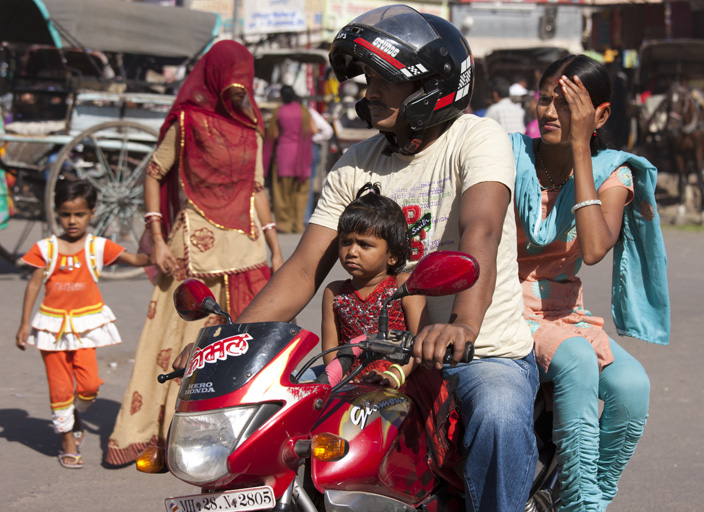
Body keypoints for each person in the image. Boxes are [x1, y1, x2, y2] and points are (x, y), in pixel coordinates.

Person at [176, 6, 538, 510]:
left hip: (480, 349)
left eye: (385, 79)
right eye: (367, 78)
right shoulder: (353, 164)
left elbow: (481, 228)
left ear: (432, 86)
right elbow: (304, 268)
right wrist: (229, 347)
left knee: (498, 413)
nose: (369, 90)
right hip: (371, 364)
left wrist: (462, 327)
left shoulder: (476, 139)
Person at [105, 40, 283, 466]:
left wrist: (276, 250)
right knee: (178, 347)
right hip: (191, 255)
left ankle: (232, 438)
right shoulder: (187, 122)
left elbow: (257, 192)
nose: (240, 88)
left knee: (243, 345)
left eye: (246, 80)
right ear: (216, 75)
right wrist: (159, 238)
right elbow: (153, 173)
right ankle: (167, 435)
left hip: (246, 252)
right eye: (233, 79)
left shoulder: (252, 129)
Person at [511, 54, 670, 511]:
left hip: (564, 311)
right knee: (578, 357)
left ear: (598, 115)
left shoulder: (611, 171)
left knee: (632, 387)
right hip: (505, 304)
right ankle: (581, 506)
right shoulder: (510, 154)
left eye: (566, 105)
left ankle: (583, 499)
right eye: (544, 100)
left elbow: (596, 248)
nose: (549, 112)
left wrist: (581, 150)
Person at [15, 179, 150, 469]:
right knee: (60, 388)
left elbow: (137, 259)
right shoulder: (46, 249)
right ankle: (67, 439)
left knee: (88, 386)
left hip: (85, 329)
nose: (72, 220)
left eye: (79, 214)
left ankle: (75, 416)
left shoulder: (98, 246)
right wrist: (25, 324)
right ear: (58, 213)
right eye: (66, 214)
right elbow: (33, 286)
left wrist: (161, 250)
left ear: (92, 213)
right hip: (51, 329)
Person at [321, 183, 427, 387]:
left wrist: (393, 376)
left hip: (401, 382)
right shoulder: (334, 292)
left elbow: (418, 343)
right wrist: (341, 383)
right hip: (350, 383)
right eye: (346, 242)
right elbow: (331, 350)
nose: (351, 251)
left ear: (393, 255)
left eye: (364, 245)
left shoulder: (404, 285)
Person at [264, 84, 317, 233]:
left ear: (282, 96)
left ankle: (285, 224)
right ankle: (298, 224)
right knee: (300, 191)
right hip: (302, 156)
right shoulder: (304, 111)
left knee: (282, 192)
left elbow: (273, 134)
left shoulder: (279, 112)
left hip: (284, 155)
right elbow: (314, 130)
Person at [304, 105, 334, 226]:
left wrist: (312, 139)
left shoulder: (308, 111)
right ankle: (304, 218)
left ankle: (304, 218)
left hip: (304, 148)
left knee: (306, 183)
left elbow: (327, 131)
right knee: (307, 183)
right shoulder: (308, 111)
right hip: (306, 148)